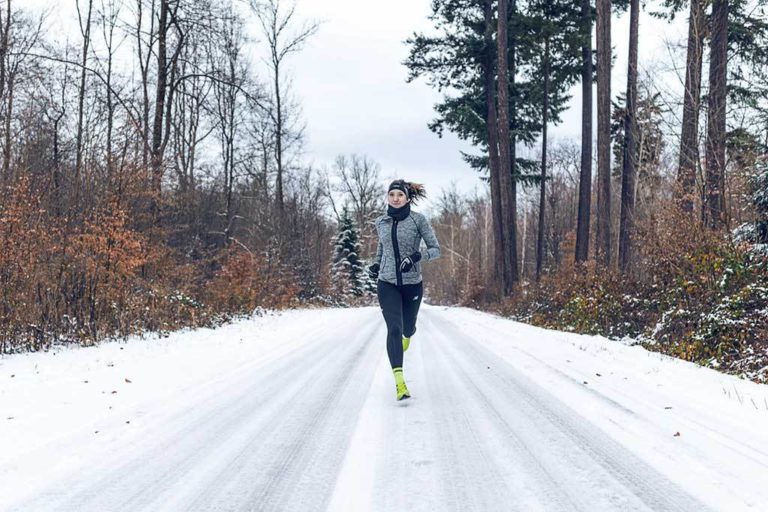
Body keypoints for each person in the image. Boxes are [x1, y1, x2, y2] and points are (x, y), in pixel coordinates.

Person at [368, 179, 440, 400]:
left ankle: (409, 334)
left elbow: (436, 249)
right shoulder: (381, 222)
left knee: (408, 328)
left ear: (407, 198)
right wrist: (376, 264)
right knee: (394, 329)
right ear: (388, 198)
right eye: (392, 195)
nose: (395, 198)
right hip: (387, 283)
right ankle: (400, 383)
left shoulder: (418, 220)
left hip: (412, 284)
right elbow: (382, 248)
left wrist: (417, 257)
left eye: (400, 195)